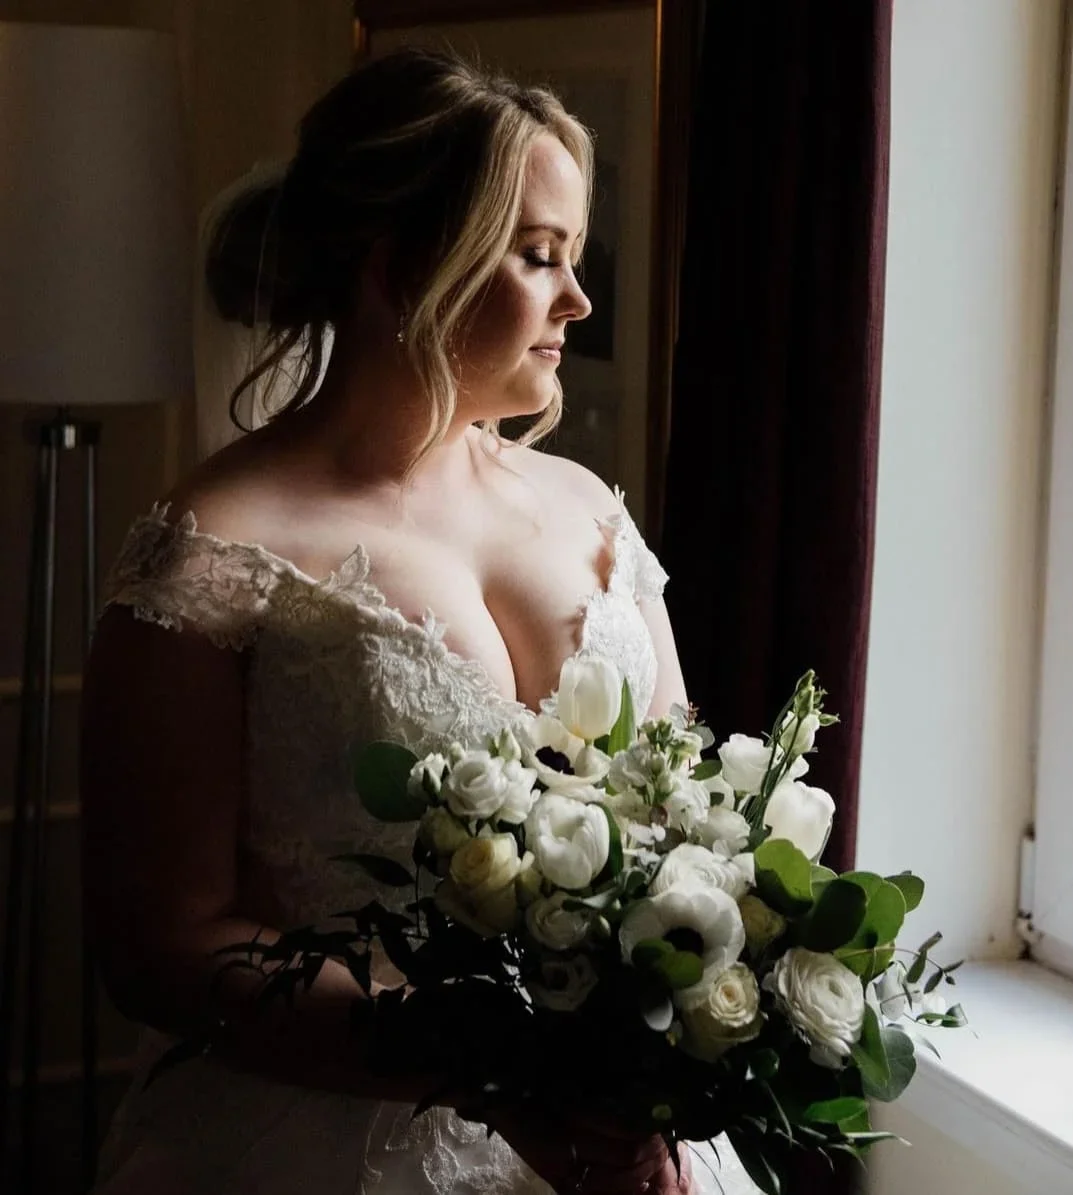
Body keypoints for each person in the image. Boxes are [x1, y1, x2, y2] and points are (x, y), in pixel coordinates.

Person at [81, 48, 758, 1195]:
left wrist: (652, 1067)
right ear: (399, 268)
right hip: (326, 1147)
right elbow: (163, 946)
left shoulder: (588, 509)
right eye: (539, 257)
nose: (576, 303)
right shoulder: (214, 550)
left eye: (575, 260)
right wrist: (489, 1072)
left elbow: (687, 839)